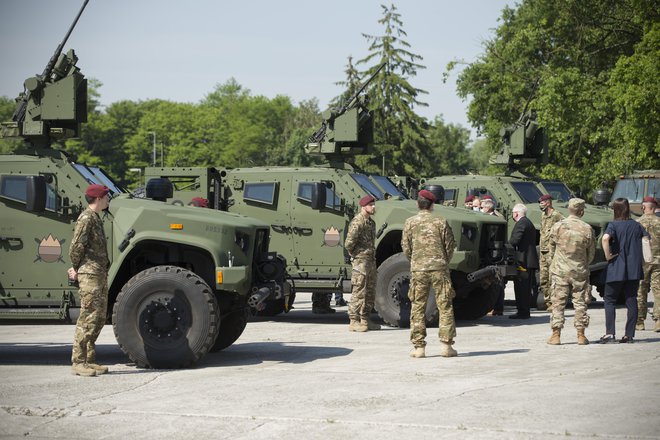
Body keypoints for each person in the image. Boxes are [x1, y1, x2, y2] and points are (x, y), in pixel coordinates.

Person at [402, 190, 457, 358]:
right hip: (439, 268)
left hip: (419, 269)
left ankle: (419, 348)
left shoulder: (410, 222)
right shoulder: (441, 221)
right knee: (445, 305)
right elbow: (449, 245)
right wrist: (442, 261)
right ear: (432, 205)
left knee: (418, 306)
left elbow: (406, 247)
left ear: (418, 204)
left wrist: (416, 260)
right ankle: (447, 346)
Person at [67, 184, 111, 377]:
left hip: (99, 273)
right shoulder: (86, 218)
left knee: (99, 317)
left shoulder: (96, 218)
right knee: (88, 316)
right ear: (99, 198)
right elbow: (76, 247)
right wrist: (77, 268)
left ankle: (89, 359)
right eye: (107, 197)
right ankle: (78, 362)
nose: (108, 200)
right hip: (90, 275)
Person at [546, 198, 595, 345]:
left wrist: (554, 264)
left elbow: (550, 250)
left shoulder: (558, 226)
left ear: (569, 209)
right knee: (580, 303)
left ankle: (556, 335)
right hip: (579, 271)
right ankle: (581, 335)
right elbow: (591, 253)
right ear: (582, 211)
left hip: (560, 270)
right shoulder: (587, 228)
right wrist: (582, 263)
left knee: (558, 303)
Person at [600, 198, 649, 343]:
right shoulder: (637, 225)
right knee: (631, 299)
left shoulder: (613, 225)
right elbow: (646, 239)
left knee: (609, 300)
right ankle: (629, 334)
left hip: (616, 267)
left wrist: (608, 255)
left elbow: (605, 239)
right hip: (634, 269)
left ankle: (610, 333)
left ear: (615, 210)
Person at [345, 195, 379, 331]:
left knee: (370, 291)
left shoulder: (371, 223)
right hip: (360, 261)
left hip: (370, 260)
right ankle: (353, 321)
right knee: (359, 291)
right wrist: (355, 254)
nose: (373, 207)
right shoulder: (357, 222)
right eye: (371, 205)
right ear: (364, 206)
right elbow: (349, 243)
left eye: (374, 204)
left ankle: (365, 319)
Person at [509, 203, 539, 319]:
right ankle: (524, 311)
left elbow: (515, 240)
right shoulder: (528, 222)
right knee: (525, 288)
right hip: (528, 259)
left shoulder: (521, 223)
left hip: (523, 260)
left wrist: (507, 246)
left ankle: (522, 312)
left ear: (516, 213)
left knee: (521, 287)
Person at [635, 197, 660, 331]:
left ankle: (639, 321)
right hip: (658, 262)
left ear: (644, 207)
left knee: (640, 290)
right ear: (655, 208)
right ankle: (658, 320)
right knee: (659, 291)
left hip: (642, 262)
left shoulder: (637, 223)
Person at [538, 194, 564, 311]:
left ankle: (555, 302)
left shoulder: (556, 215)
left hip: (552, 252)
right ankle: (548, 302)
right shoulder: (543, 215)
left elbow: (564, 229)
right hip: (543, 251)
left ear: (548, 202)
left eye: (542, 202)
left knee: (552, 278)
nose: (540, 204)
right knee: (543, 278)